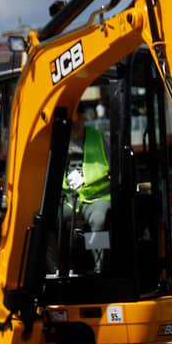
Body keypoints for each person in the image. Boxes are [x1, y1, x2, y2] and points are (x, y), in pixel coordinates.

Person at [60, 101, 111, 274]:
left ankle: (98, 268)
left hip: (96, 198)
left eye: (77, 120)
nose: (74, 125)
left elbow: (115, 167)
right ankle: (58, 268)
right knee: (48, 219)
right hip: (69, 200)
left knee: (99, 220)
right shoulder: (58, 142)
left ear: (83, 118)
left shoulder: (99, 139)